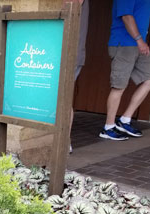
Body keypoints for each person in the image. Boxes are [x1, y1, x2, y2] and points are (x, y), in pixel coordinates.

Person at [100, 0, 150, 141]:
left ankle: (124, 120)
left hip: (138, 45)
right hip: (124, 44)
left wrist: (140, 42)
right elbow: (126, 16)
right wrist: (139, 40)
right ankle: (108, 127)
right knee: (118, 87)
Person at [70, 0, 90, 153]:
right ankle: (64, 141)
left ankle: (63, 140)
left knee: (61, 101)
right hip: (69, 53)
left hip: (68, 53)